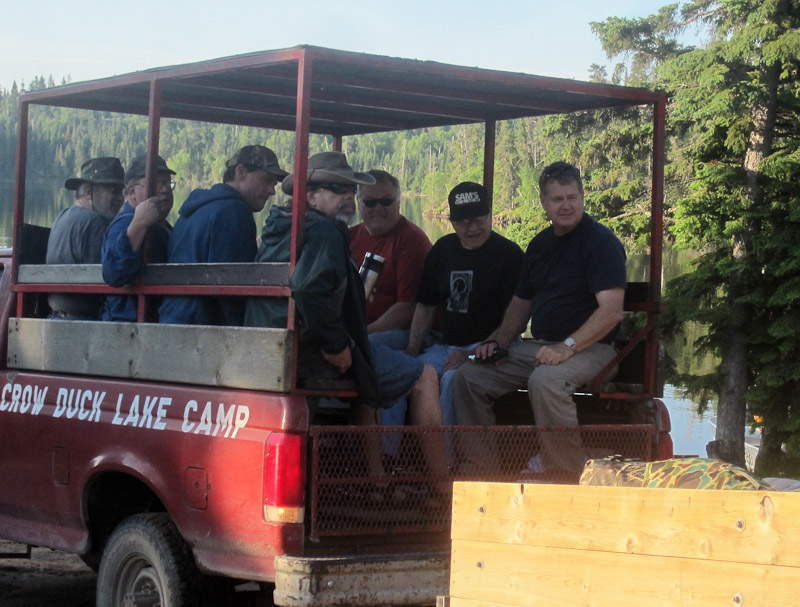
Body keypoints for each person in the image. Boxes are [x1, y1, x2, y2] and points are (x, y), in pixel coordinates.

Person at [244, 152, 447, 489]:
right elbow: (309, 289)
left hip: (279, 345)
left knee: (367, 361)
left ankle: (376, 482)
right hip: (311, 352)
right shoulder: (326, 231)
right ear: (310, 196)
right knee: (423, 376)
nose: (348, 198)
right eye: (338, 190)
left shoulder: (281, 226)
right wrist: (337, 345)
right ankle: (443, 488)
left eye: (351, 191)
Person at [452, 161, 627, 473]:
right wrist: (497, 343)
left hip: (594, 349)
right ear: (544, 202)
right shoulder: (539, 246)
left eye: (572, 197)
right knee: (468, 377)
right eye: (557, 199)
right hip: (541, 346)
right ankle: (482, 472)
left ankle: (566, 476)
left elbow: (611, 312)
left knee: (546, 380)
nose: (566, 206)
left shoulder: (601, 243)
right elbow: (521, 304)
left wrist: (567, 347)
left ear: (582, 197)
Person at [399, 182, 524, 426]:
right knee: (402, 374)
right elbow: (425, 306)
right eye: (464, 222)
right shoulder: (442, 249)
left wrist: (473, 353)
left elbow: (517, 319)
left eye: (478, 219)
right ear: (452, 222)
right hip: (445, 347)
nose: (473, 228)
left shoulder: (509, 255)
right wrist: (412, 350)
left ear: (489, 215)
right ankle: (389, 446)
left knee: (453, 381)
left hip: (491, 347)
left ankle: (446, 450)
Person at [159, 145, 288, 326]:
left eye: (274, 184)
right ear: (240, 172)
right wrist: (243, 330)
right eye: (267, 180)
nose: (272, 190)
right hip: (204, 327)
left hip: (173, 318)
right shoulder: (234, 211)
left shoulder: (196, 208)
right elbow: (234, 285)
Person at [349, 170, 432, 333]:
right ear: (359, 203)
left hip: (400, 333)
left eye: (386, 201)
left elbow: (407, 308)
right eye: (370, 202)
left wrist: (361, 335)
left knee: (371, 344)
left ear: (398, 203)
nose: (379, 208)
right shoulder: (348, 237)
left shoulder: (412, 240)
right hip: (354, 329)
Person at [46, 157, 125, 319]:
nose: (121, 199)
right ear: (89, 192)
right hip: (83, 320)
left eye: (122, 192)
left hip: (58, 316)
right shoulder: (96, 223)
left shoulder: (63, 216)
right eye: (114, 191)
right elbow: (111, 276)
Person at [101, 154, 175, 321]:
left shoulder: (163, 226)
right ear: (132, 192)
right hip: (129, 325)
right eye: (156, 183)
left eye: (168, 183)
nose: (165, 190)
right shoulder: (125, 223)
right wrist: (138, 225)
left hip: (157, 321)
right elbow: (113, 273)